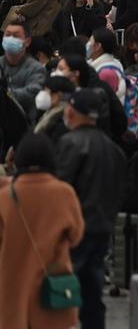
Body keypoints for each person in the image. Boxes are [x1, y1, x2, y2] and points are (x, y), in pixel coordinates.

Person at [56, 89, 127, 329]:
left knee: (62, 288)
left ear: (73, 112)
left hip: (76, 229)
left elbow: (61, 188)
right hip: (102, 226)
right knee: (93, 290)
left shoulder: (70, 142)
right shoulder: (113, 148)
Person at [0, 133, 84, 329]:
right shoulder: (64, 193)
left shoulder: (4, 197)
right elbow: (76, 236)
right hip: (51, 291)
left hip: (12, 291)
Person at [0, 20, 46, 122]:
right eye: (7, 35)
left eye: (15, 36)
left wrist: (5, 95)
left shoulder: (36, 69)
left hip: (22, 121)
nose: (10, 39)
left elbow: (31, 93)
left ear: (27, 41)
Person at [33, 75, 75, 144]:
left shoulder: (62, 122)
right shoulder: (46, 113)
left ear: (58, 95)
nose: (42, 95)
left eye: (45, 91)